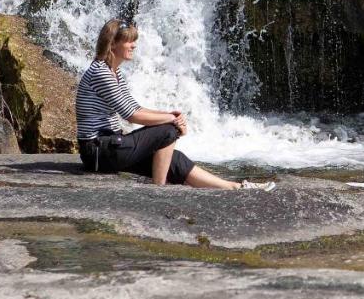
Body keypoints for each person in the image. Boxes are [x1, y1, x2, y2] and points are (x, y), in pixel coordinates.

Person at [75, 19, 248, 189]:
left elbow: (136, 108)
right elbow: (132, 116)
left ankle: (234, 187)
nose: (134, 45)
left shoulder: (114, 72)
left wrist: (169, 115)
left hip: (109, 147)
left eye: (134, 40)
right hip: (98, 151)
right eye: (129, 41)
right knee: (168, 131)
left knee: (174, 158)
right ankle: (158, 190)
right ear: (112, 44)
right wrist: (171, 120)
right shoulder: (101, 73)